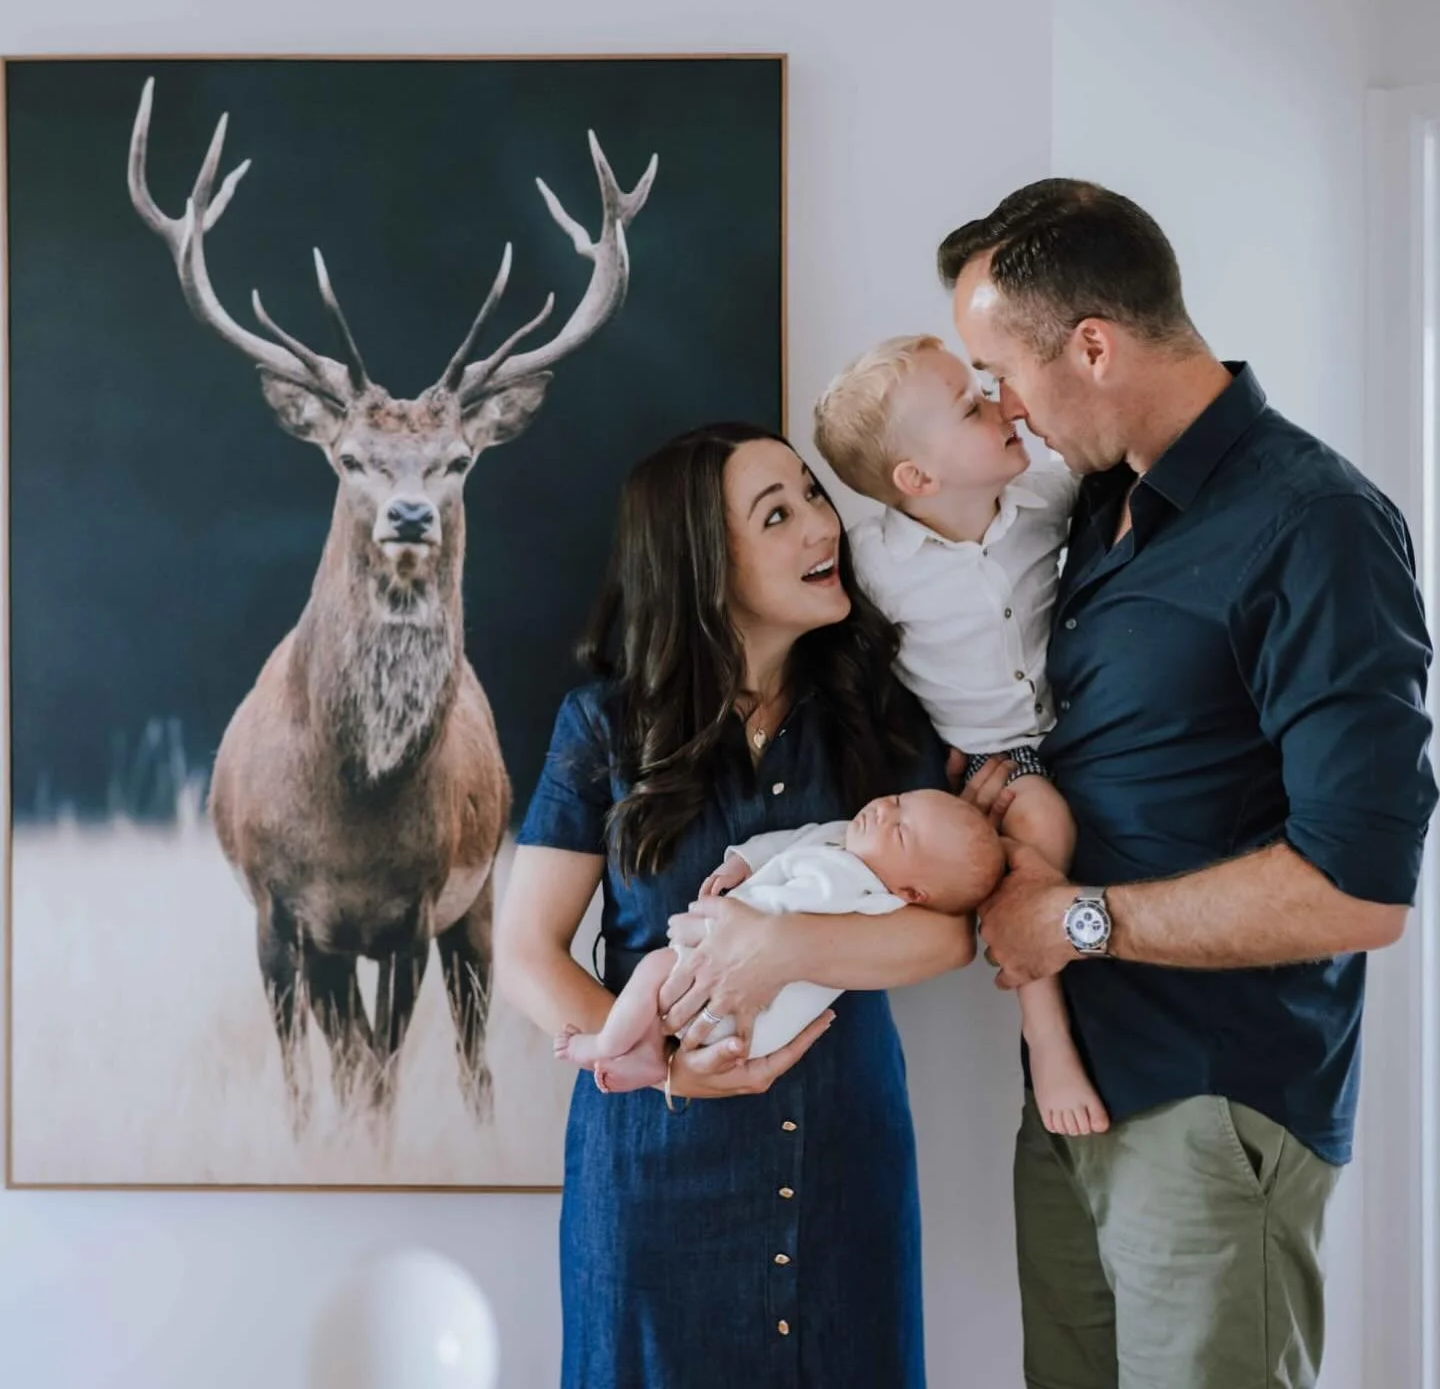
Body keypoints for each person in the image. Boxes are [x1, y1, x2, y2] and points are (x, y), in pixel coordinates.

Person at [937, 178, 1438, 1389]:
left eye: (1002, 371)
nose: (1000, 408)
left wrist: (1076, 920)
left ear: (1094, 344)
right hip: (1072, 1099)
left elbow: (1359, 890)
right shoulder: (1094, 506)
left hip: (1213, 1106)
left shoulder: (1316, 525)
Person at [495, 422, 993, 1388]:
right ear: (702, 564)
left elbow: (949, 934)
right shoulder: (604, 724)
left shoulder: (879, 713)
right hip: (653, 1162)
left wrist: (782, 944)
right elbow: (526, 953)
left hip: (844, 1153)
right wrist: (663, 1063)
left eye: (813, 496)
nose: (822, 526)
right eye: (780, 514)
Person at [813, 333, 1107, 1137]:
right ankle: (1046, 1035)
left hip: (1081, 736)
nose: (1001, 405)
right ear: (917, 479)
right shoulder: (874, 564)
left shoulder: (1049, 499)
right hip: (993, 757)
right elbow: (853, 667)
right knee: (1036, 831)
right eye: (973, 406)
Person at [554, 789, 1004, 1087]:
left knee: (655, 971)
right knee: (662, 994)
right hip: (723, 986)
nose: (885, 811)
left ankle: (606, 1043)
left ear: (911, 892)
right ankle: (650, 1054)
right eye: (898, 800)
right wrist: (743, 861)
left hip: (759, 1014)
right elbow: (793, 841)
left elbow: (776, 922)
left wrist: (709, 927)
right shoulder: (842, 838)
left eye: (901, 830)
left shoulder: (870, 897)